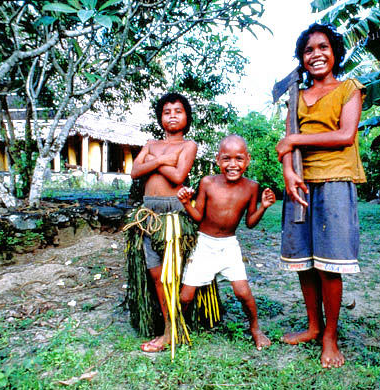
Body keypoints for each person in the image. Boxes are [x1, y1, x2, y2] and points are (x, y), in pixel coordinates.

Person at [275, 23, 366, 368]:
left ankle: (331, 335)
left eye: (323, 47)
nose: (316, 54)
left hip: (335, 182)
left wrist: (295, 142)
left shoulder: (349, 88)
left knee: (330, 265)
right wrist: (288, 172)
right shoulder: (295, 95)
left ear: (335, 52)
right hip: (300, 183)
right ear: (301, 58)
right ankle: (313, 327)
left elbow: (345, 135)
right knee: (304, 261)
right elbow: (287, 139)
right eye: (308, 50)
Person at [177, 134, 274, 350]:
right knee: (186, 296)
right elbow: (198, 217)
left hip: (229, 246)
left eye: (239, 159)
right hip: (204, 244)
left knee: (243, 292)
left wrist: (263, 207)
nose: (233, 165)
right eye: (227, 159)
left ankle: (255, 328)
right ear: (218, 159)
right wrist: (186, 203)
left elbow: (249, 223)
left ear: (247, 160)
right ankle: (176, 328)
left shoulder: (251, 187)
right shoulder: (208, 183)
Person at [130, 92, 198, 353]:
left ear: (187, 117)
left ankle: (175, 328)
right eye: (167, 111)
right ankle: (168, 326)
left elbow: (179, 175)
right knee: (156, 274)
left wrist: (149, 162)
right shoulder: (151, 143)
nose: (172, 115)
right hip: (149, 214)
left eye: (178, 111)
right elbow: (135, 172)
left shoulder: (188, 146)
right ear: (160, 117)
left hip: (173, 213)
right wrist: (159, 160)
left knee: (172, 274)